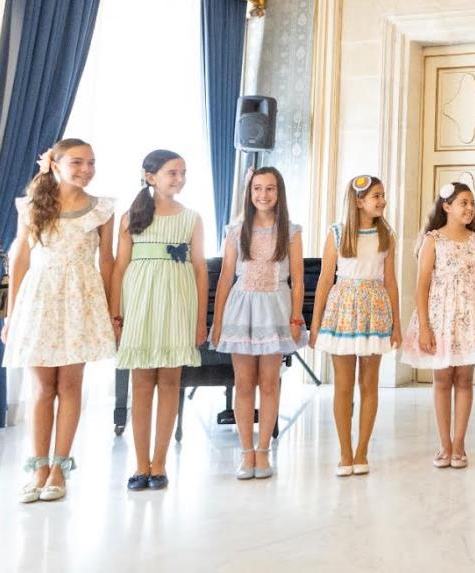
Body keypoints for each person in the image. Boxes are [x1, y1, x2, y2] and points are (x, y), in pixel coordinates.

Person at [2, 139, 116, 502]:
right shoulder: (33, 206)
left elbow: (108, 262)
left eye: (92, 163)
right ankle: (37, 468)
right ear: (56, 164)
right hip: (39, 300)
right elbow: (19, 257)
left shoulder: (102, 209)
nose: (86, 170)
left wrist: (114, 312)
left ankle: (59, 469)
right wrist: (13, 311)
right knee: (41, 388)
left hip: (80, 301)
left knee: (69, 385)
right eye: (78, 163)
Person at [111, 149, 207, 491]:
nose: (179, 179)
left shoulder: (192, 218)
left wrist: (199, 320)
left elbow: (198, 268)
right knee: (141, 384)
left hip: (177, 304)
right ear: (151, 177)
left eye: (183, 173)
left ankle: (160, 463)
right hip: (140, 303)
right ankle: (140, 464)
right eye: (172, 173)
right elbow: (120, 268)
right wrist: (116, 314)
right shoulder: (130, 217)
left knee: (170, 383)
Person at [210, 167, 306, 480]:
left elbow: (298, 279)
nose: (263, 195)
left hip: (275, 309)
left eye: (270, 189)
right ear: (250, 194)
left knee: (269, 382)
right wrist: (218, 320)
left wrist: (295, 317)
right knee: (244, 382)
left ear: (279, 194)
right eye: (257, 189)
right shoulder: (237, 231)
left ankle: (263, 451)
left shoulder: (290, 232)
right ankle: (245, 452)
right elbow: (226, 276)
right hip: (241, 309)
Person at [401, 181, 475, 469]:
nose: (469, 208)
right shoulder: (433, 240)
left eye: (472, 203)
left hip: (470, 319)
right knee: (442, 380)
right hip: (440, 318)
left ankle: (460, 444)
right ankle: (444, 444)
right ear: (447, 207)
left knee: (465, 380)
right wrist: (426, 328)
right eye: (463, 203)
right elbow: (422, 284)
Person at [310, 175, 401, 476]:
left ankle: (362, 450)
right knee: (343, 386)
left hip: (374, 309)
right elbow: (325, 279)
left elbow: (390, 281)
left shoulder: (386, 235)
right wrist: (315, 324)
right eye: (377, 195)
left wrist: (396, 324)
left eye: (383, 194)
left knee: (369, 383)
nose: (382, 200)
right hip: (343, 310)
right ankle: (344, 452)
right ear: (359, 201)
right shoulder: (337, 233)